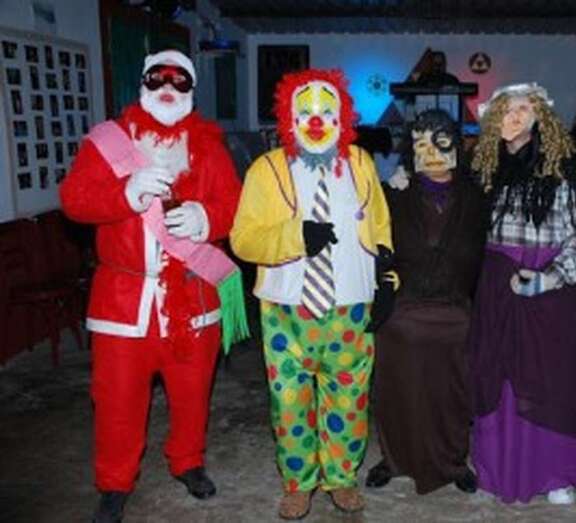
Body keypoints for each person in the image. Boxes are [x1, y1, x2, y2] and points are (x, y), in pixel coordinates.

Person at [60, 49, 246, 523]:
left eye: (180, 80)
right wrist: (125, 192)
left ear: (191, 91)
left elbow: (233, 205)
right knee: (117, 399)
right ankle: (114, 483)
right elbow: (74, 200)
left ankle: (188, 462)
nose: (168, 86)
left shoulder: (209, 147)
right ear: (142, 84)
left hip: (193, 294)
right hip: (125, 301)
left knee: (191, 393)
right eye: (158, 78)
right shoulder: (108, 142)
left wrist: (207, 218)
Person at [230, 69, 396, 520]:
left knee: (349, 396)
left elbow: (379, 221)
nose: (316, 121)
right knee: (290, 402)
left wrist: (386, 276)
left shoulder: (361, 163)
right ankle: (298, 482)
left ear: (344, 118)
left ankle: (341, 479)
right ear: (288, 118)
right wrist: (295, 236)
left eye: (327, 112)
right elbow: (242, 239)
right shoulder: (265, 170)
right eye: (305, 113)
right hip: (287, 309)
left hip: (350, 303)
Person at [469, 83, 576, 505]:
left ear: (540, 114)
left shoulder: (564, 169)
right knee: (497, 374)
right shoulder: (486, 168)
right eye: (506, 109)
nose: (514, 116)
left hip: (547, 289)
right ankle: (494, 467)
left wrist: (553, 277)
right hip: (496, 286)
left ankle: (553, 472)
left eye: (524, 108)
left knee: (549, 379)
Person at [365, 109, 486, 494]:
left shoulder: (479, 196)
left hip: (454, 314)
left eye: (441, 140)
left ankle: (453, 461)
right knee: (397, 390)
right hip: (402, 314)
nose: (431, 151)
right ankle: (394, 457)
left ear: (457, 143)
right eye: (420, 143)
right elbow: (374, 245)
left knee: (451, 393)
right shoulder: (394, 194)